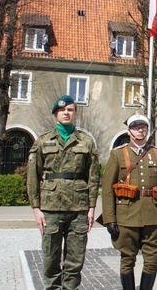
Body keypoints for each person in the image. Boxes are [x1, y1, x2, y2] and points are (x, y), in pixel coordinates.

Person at [27, 95, 101, 290]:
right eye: (62, 110)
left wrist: (92, 207)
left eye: (70, 110)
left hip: (79, 208)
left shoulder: (86, 141)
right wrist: (36, 209)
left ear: (75, 114)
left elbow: (93, 177)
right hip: (50, 207)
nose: (66, 113)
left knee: (75, 260)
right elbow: (33, 177)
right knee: (50, 258)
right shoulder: (43, 141)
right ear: (55, 114)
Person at [101, 114, 157, 290]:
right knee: (127, 259)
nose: (140, 130)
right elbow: (107, 189)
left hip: (153, 215)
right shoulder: (118, 155)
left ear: (147, 130)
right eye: (135, 127)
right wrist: (110, 219)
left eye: (143, 127)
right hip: (127, 215)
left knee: (152, 259)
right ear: (129, 131)